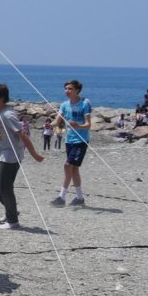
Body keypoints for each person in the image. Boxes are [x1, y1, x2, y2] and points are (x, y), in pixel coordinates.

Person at [0, 84, 45, 230]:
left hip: (10, 155)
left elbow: (22, 134)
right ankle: (10, 210)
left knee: (5, 187)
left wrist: (34, 154)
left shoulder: (8, 114)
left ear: (1, 99)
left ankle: (13, 221)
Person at [52, 79, 92, 207]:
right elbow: (57, 121)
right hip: (69, 140)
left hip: (81, 140)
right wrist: (49, 125)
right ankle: (79, 198)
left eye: (70, 89)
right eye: (66, 89)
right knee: (74, 169)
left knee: (68, 166)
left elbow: (88, 124)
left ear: (77, 90)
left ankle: (61, 197)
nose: (67, 91)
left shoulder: (85, 103)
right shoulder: (64, 105)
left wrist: (78, 126)